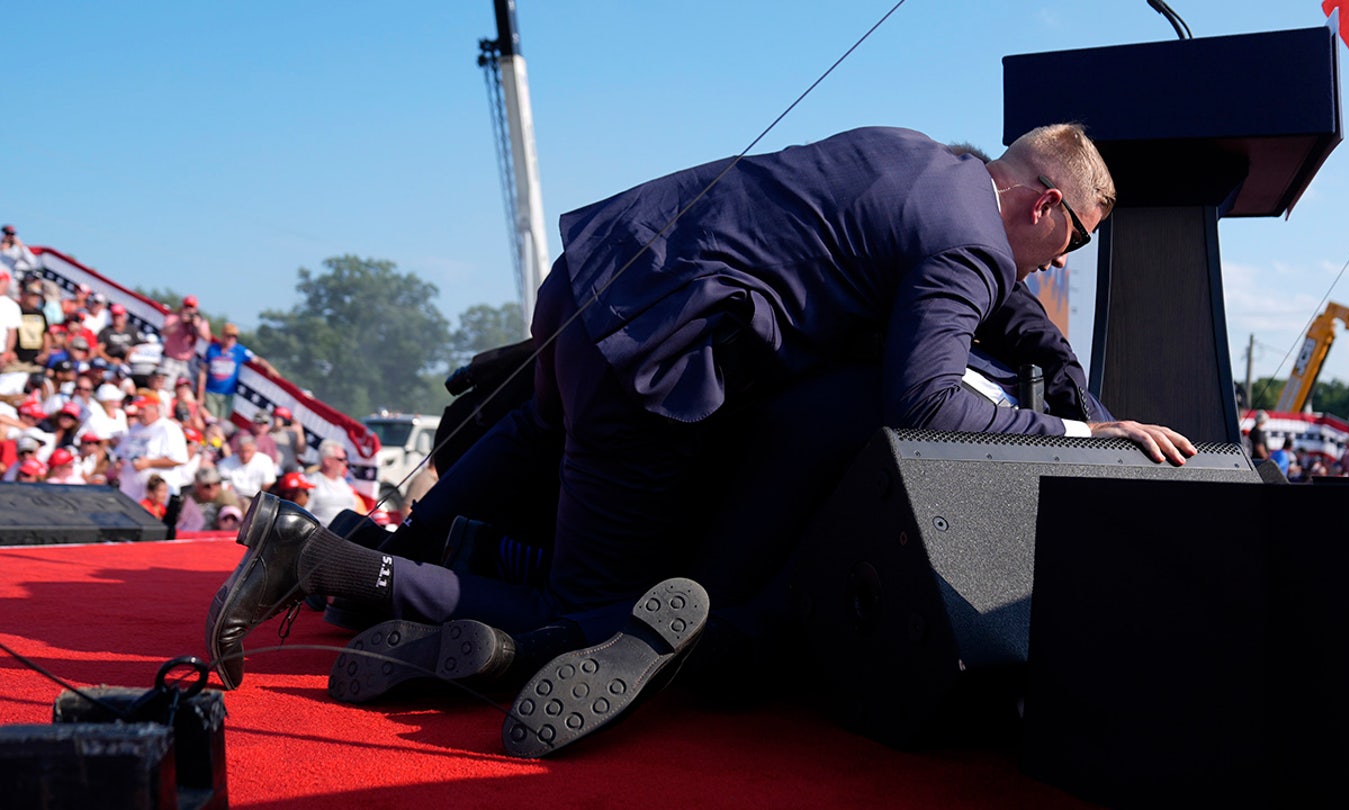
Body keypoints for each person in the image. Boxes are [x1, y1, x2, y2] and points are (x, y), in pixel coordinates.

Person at [207, 124, 1195, 757]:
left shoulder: (916, 156)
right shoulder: (972, 241)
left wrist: (1078, 382)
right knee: (586, 602)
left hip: (592, 282)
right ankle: (325, 563)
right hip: (658, 352)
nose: (1038, 276)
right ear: (1044, 205)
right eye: (1060, 251)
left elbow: (1000, 309)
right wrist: (1084, 432)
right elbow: (927, 401)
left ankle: (424, 548)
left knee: (537, 434)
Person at [114, 391, 189, 503]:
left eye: (142, 409)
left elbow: (179, 459)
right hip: (130, 495)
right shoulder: (135, 428)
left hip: (155, 500)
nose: (139, 413)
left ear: (155, 408)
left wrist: (149, 463)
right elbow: (120, 453)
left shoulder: (168, 428)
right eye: (137, 409)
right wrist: (119, 463)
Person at [197, 322, 276, 420]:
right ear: (223, 335)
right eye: (229, 336)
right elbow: (203, 371)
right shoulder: (212, 349)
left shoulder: (239, 350)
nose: (231, 339)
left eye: (234, 337)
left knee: (223, 422)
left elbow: (256, 359)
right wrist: (200, 394)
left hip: (228, 394)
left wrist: (268, 367)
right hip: (211, 392)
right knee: (211, 420)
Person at [303, 438, 365, 526]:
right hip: (323, 535)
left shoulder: (345, 484)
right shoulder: (310, 483)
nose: (346, 462)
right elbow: (303, 515)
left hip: (348, 534)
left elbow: (358, 509)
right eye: (341, 459)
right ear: (327, 461)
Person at [160, 295, 210, 391]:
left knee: (188, 389)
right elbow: (164, 332)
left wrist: (197, 326)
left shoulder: (200, 320)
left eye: (191, 307)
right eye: (186, 306)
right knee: (166, 388)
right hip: (171, 358)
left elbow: (207, 338)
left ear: (195, 309)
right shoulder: (173, 317)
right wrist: (179, 322)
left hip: (188, 361)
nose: (188, 310)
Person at [217, 434, 277, 509]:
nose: (245, 455)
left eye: (248, 451)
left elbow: (268, 484)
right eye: (242, 451)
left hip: (257, 499)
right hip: (234, 499)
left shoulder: (265, 461)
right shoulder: (225, 464)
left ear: (254, 450)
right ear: (237, 450)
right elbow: (224, 487)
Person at [175, 465, 241, 532]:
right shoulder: (189, 499)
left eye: (217, 483)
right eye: (207, 486)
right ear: (197, 487)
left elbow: (237, 523)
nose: (213, 488)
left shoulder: (227, 498)